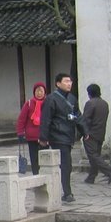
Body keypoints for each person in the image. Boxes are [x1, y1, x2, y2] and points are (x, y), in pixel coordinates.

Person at [38, 72, 82, 203]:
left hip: (68, 136)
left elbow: (78, 116)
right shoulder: (51, 99)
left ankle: (65, 191)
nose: (69, 84)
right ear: (58, 83)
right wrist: (43, 137)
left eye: (70, 81)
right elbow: (46, 119)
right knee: (65, 164)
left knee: (65, 165)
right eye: (66, 81)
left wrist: (85, 132)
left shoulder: (72, 99)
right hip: (57, 136)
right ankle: (67, 193)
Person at [80, 83, 111, 184]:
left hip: (91, 133)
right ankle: (91, 176)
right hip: (100, 133)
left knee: (93, 156)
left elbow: (86, 119)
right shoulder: (104, 103)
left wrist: (83, 132)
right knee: (96, 155)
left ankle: (108, 170)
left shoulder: (90, 103)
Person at [15, 82, 47, 175]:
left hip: (45, 136)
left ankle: (45, 176)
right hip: (32, 137)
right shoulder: (29, 103)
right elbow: (21, 119)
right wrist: (20, 132)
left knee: (45, 157)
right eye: (37, 91)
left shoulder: (48, 103)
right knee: (34, 158)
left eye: (41, 91)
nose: (39, 93)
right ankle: (36, 175)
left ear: (45, 92)